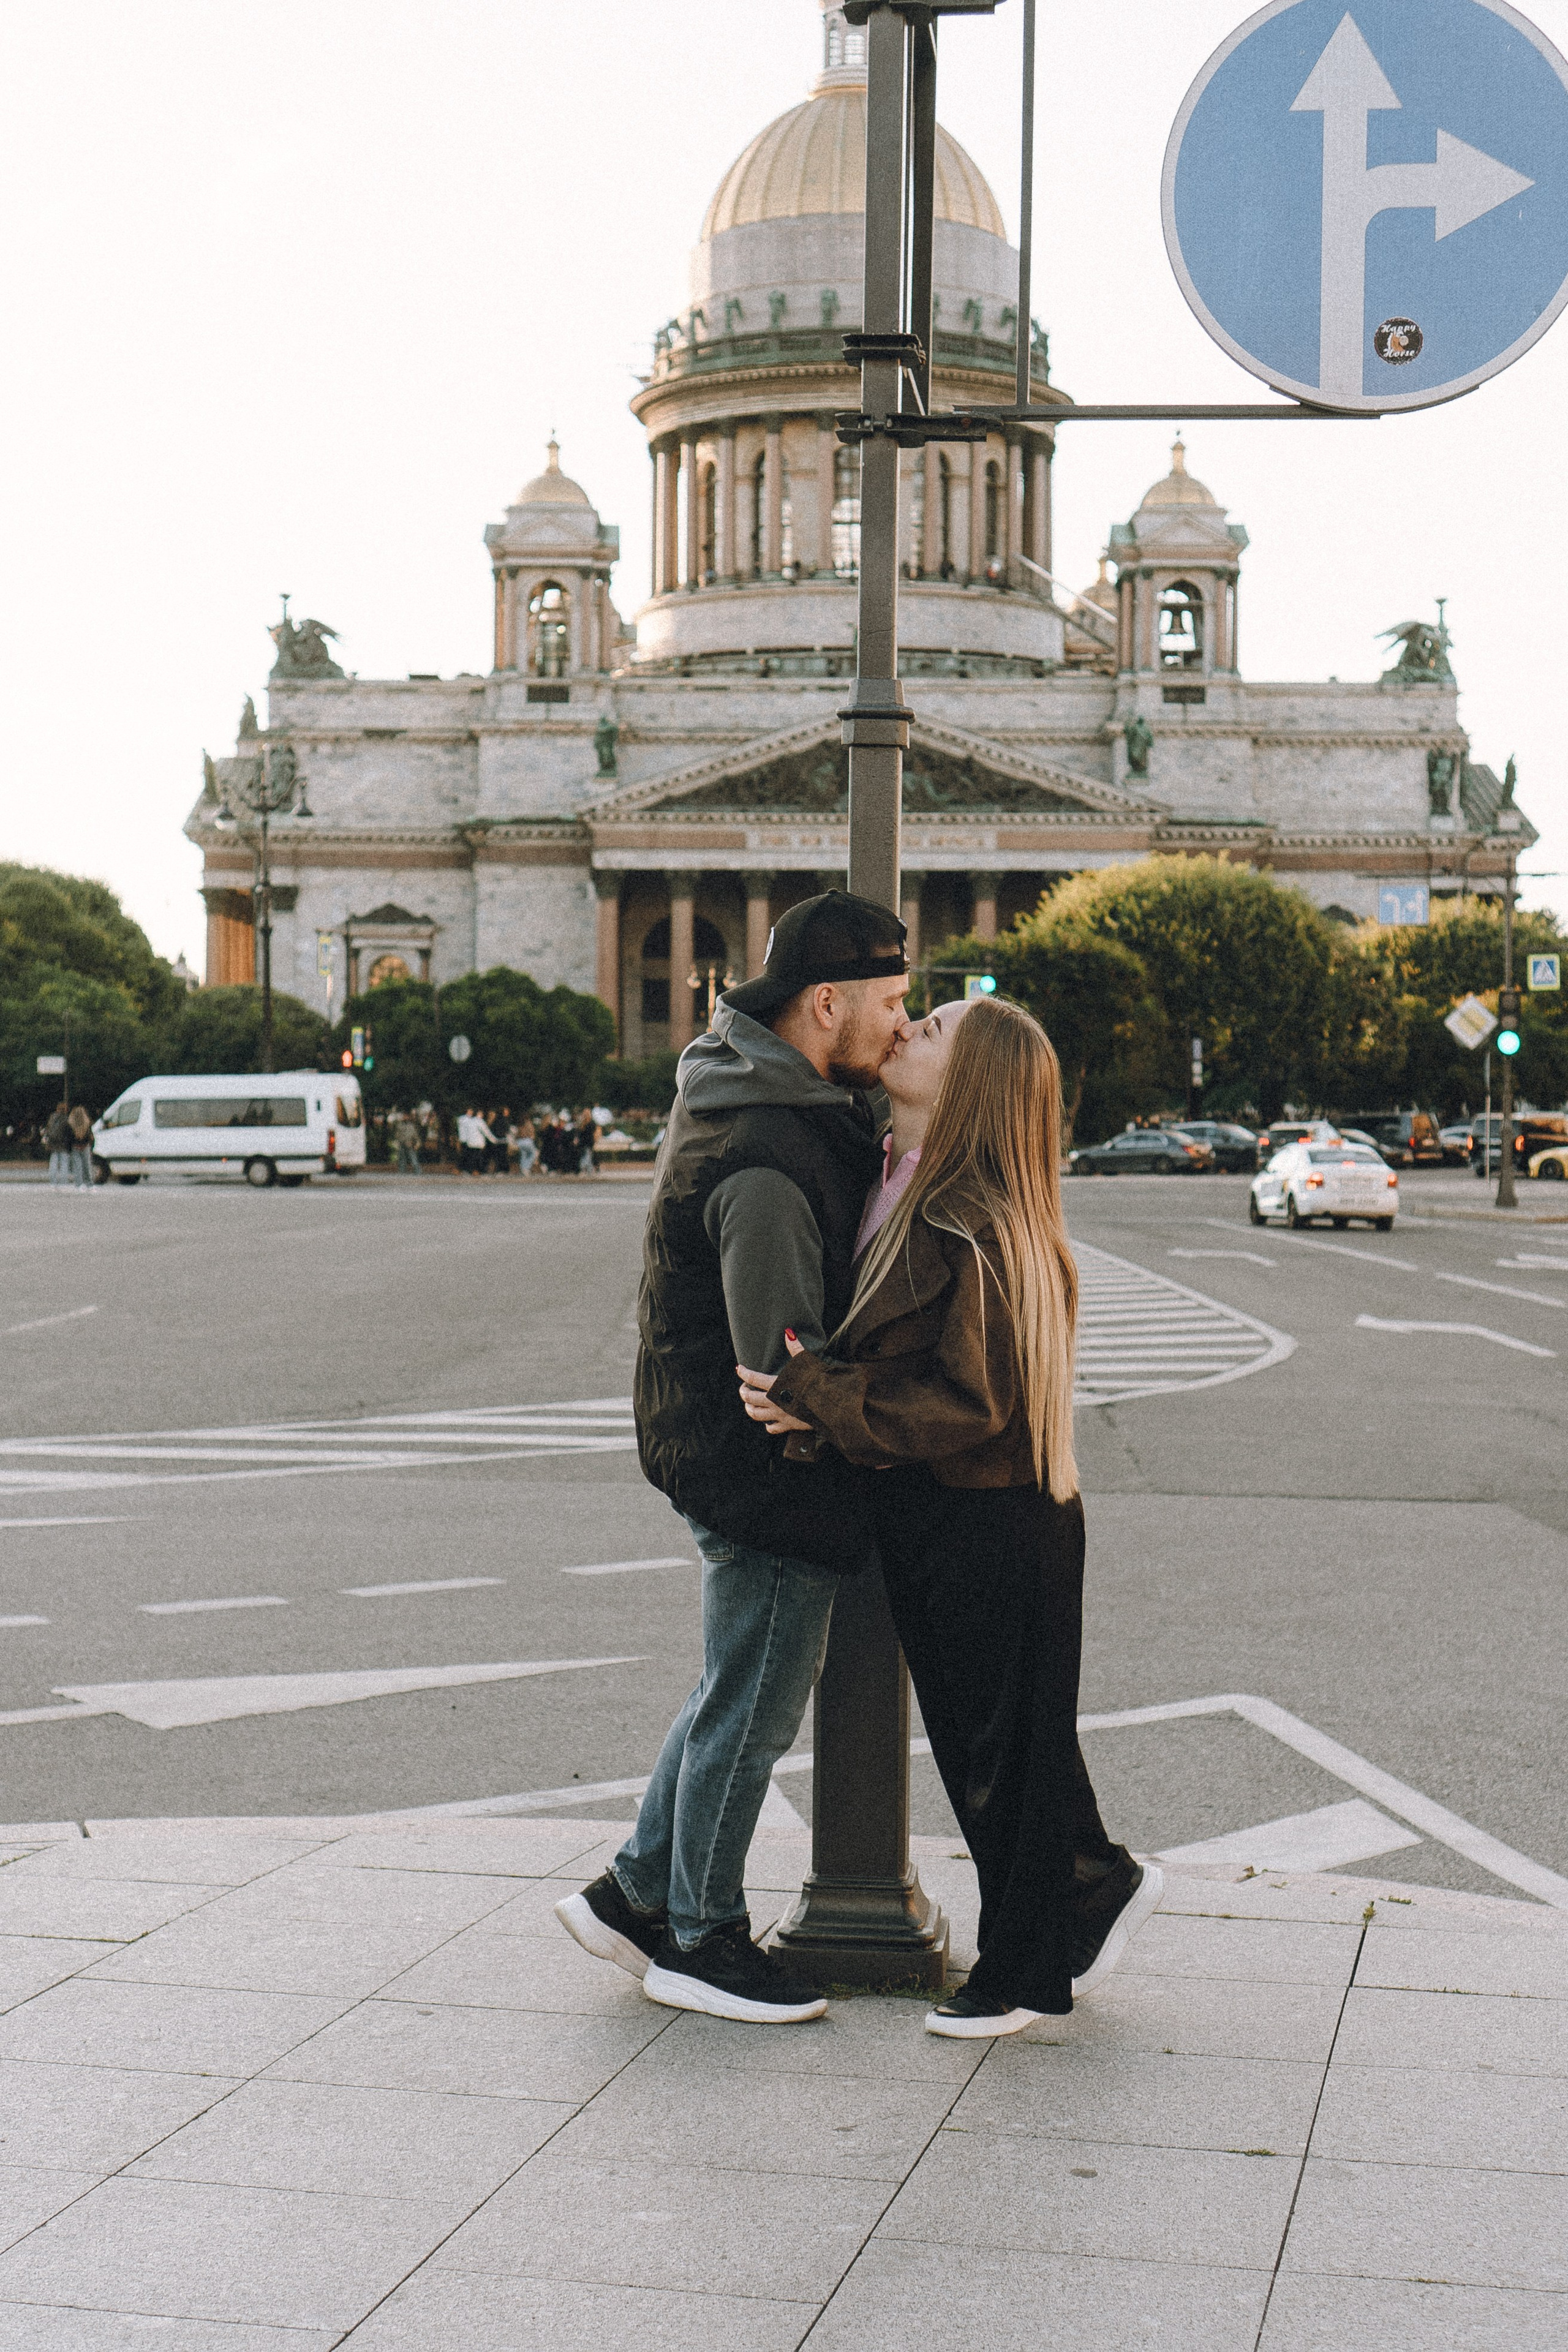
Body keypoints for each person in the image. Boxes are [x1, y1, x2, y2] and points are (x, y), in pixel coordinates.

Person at [738, 995, 1161, 2038]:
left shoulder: (970, 1217)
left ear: (971, 1083)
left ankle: (1022, 1973)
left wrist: (816, 1393)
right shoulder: (903, 1177)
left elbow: (969, 1403)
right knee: (1005, 1740)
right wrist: (819, 1406)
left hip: (990, 1514)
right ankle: (1092, 1885)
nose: (906, 1032)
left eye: (932, 1029)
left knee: (1000, 1750)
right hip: (943, 1511)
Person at [555, 889, 912, 2024]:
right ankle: (700, 1936)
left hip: (713, 1451)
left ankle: (633, 1891)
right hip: (759, 1471)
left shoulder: (768, 1102)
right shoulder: (767, 1148)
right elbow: (781, 1367)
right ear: (825, 1003)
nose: (905, 1026)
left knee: (734, 1686)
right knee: (753, 1707)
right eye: (893, 1004)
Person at [67, 1102, 95, 1189]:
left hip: (75, 1147)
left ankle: (79, 1185)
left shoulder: (70, 1124)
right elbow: (91, 1137)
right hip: (85, 1146)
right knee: (87, 1167)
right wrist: (91, 1146)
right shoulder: (87, 1123)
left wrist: (69, 1148)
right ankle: (89, 1185)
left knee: (78, 1167)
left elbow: (69, 1138)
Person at [44, 1102, 71, 1186]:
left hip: (53, 1144)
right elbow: (68, 1132)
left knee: (53, 1163)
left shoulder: (52, 1117)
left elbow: (48, 1130)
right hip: (63, 1145)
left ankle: (53, 1181)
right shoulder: (66, 1119)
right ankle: (64, 1182)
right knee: (64, 1164)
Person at [392, 1109, 421, 1175]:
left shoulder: (411, 1126)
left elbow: (415, 1135)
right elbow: (397, 1135)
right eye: (404, 1116)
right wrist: (398, 1142)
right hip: (402, 1143)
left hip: (410, 1144)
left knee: (413, 1158)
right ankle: (402, 1172)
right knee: (402, 1158)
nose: (405, 1117)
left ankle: (417, 1171)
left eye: (406, 1116)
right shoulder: (399, 1125)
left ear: (409, 1117)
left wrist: (415, 1143)